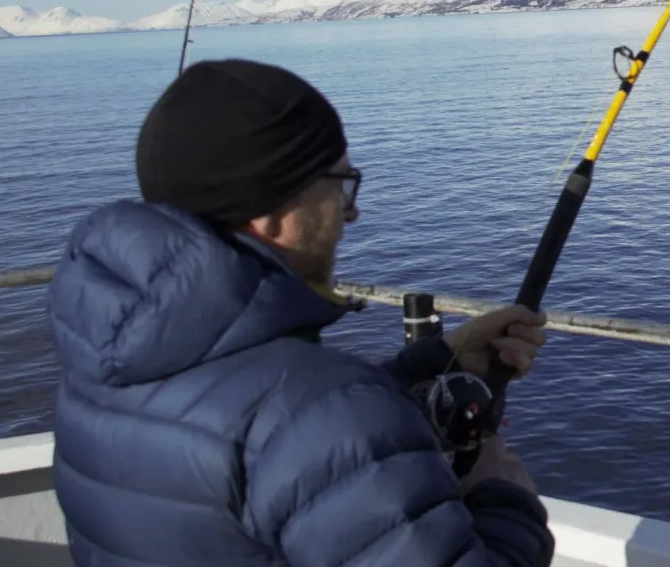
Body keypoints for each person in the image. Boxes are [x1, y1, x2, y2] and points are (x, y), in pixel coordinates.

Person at [48, 58, 556, 566]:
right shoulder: (324, 412)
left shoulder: (101, 371)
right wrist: (505, 497)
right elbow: (301, 437)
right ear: (273, 214)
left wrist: (435, 364)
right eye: (340, 186)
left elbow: (264, 438)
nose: (350, 212)